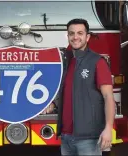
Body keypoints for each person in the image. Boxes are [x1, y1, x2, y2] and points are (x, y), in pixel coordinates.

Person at [56, 18, 115, 155]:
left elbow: (108, 96)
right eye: (71, 33)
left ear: (87, 37)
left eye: (80, 33)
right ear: (68, 36)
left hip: (89, 139)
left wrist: (108, 128)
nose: (75, 37)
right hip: (66, 138)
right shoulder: (66, 62)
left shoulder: (97, 62)